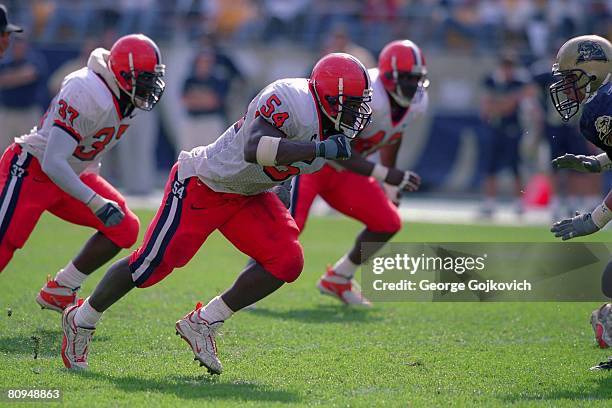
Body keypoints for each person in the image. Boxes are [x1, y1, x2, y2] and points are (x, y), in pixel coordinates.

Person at [59, 53, 372, 374]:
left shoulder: (332, 125)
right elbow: (257, 148)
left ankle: (205, 321)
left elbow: (290, 164)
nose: (355, 113)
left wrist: (283, 194)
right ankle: (81, 319)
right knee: (149, 266)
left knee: (286, 260)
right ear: (328, 97)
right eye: (350, 104)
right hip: (204, 182)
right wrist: (319, 149)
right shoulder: (291, 98)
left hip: (249, 194)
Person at [0, 35, 165, 314]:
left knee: (125, 227)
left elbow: (87, 149)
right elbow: (53, 160)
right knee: (4, 241)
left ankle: (62, 288)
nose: (150, 86)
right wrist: (95, 201)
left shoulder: (124, 95)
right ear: (123, 73)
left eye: (153, 78)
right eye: (144, 78)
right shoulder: (87, 90)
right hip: (34, 169)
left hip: (71, 173)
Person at [289, 40, 427, 306]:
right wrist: (387, 175)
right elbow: (338, 148)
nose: (413, 85)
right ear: (388, 75)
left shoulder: (418, 103)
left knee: (388, 222)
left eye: (417, 78)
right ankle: (255, 276)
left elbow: (393, 134)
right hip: (315, 163)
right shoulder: (369, 93)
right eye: (406, 78)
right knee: (290, 226)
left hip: (347, 173)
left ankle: (339, 278)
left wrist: (390, 181)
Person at [547, 35, 612, 370]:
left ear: (594, 70)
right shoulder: (605, 101)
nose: (567, 88)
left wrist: (597, 219)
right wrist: (598, 163)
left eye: (571, 78)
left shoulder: (603, 109)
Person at [479, 53, 530, 217]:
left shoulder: (519, 82)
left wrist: (499, 105)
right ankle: (489, 202)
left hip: (513, 128)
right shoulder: (492, 81)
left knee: (515, 167)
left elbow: (511, 105)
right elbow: (486, 107)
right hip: (495, 128)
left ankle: (519, 203)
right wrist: (503, 104)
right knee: (490, 167)